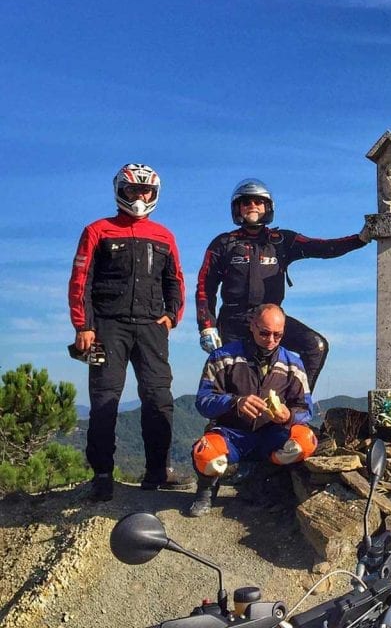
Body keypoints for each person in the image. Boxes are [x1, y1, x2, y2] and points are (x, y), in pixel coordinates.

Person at [68, 163, 189, 501]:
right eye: (134, 190)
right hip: (107, 326)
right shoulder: (97, 230)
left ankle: (157, 471)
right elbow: (81, 280)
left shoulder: (164, 235)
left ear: (155, 193)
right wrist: (84, 325)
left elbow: (174, 279)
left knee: (159, 399)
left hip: (152, 327)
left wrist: (171, 316)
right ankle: (103, 475)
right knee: (105, 400)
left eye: (146, 190)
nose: (140, 196)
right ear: (120, 190)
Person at [195, 178, 369, 392]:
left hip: (273, 319)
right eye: (246, 202)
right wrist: (206, 326)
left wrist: (360, 239)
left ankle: (292, 404)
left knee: (316, 347)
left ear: (268, 207)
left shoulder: (282, 240)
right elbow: (205, 286)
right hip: (234, 321)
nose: (252, 206)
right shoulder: (223, 243)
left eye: (258, 202)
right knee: (237, 382)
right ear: (237, 208)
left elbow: (323, 247)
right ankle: (225, 423)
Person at [187, 304, 317, 517]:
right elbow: (203, 400)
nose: (271, 340)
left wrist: (289, 415)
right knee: (205, 452)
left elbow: (306, 408)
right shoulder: (223, 357)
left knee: (306, 441)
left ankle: (266, 475)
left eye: (278, 335)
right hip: (232, 433)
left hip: (272, 434)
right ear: (252, 327)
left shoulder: (293, 363)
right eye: (264, 333)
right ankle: (206, 489)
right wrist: (234, 402)